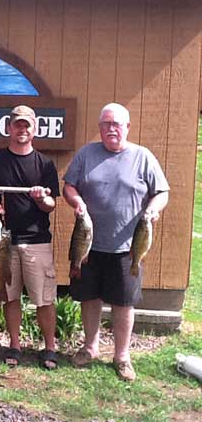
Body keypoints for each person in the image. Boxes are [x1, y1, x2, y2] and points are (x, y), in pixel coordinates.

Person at [63, 102, 169, 381]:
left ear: (127, 127)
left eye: (117, 124)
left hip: (128, 247)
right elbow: (69, 185)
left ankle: (122, 356)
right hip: (88, 246)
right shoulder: (86, 154)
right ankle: (90, 347)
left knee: (123, 303)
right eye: (106, 124)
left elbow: (162, 192)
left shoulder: (142, 157)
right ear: (100, 128)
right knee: (89, 298)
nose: (111, 128)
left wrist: (153, 209)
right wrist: (76, 201)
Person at [0, 105, 60, 369]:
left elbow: (51, 205)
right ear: (9, 128)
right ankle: (14, 344)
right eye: (17, 125)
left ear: (35, 129)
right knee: (9, 295)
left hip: (37, 240)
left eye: (27, 125)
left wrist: (41, 198)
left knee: (44, 298)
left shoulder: (44, 164)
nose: (22, 130)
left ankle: (49, 348)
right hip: (3, 240)